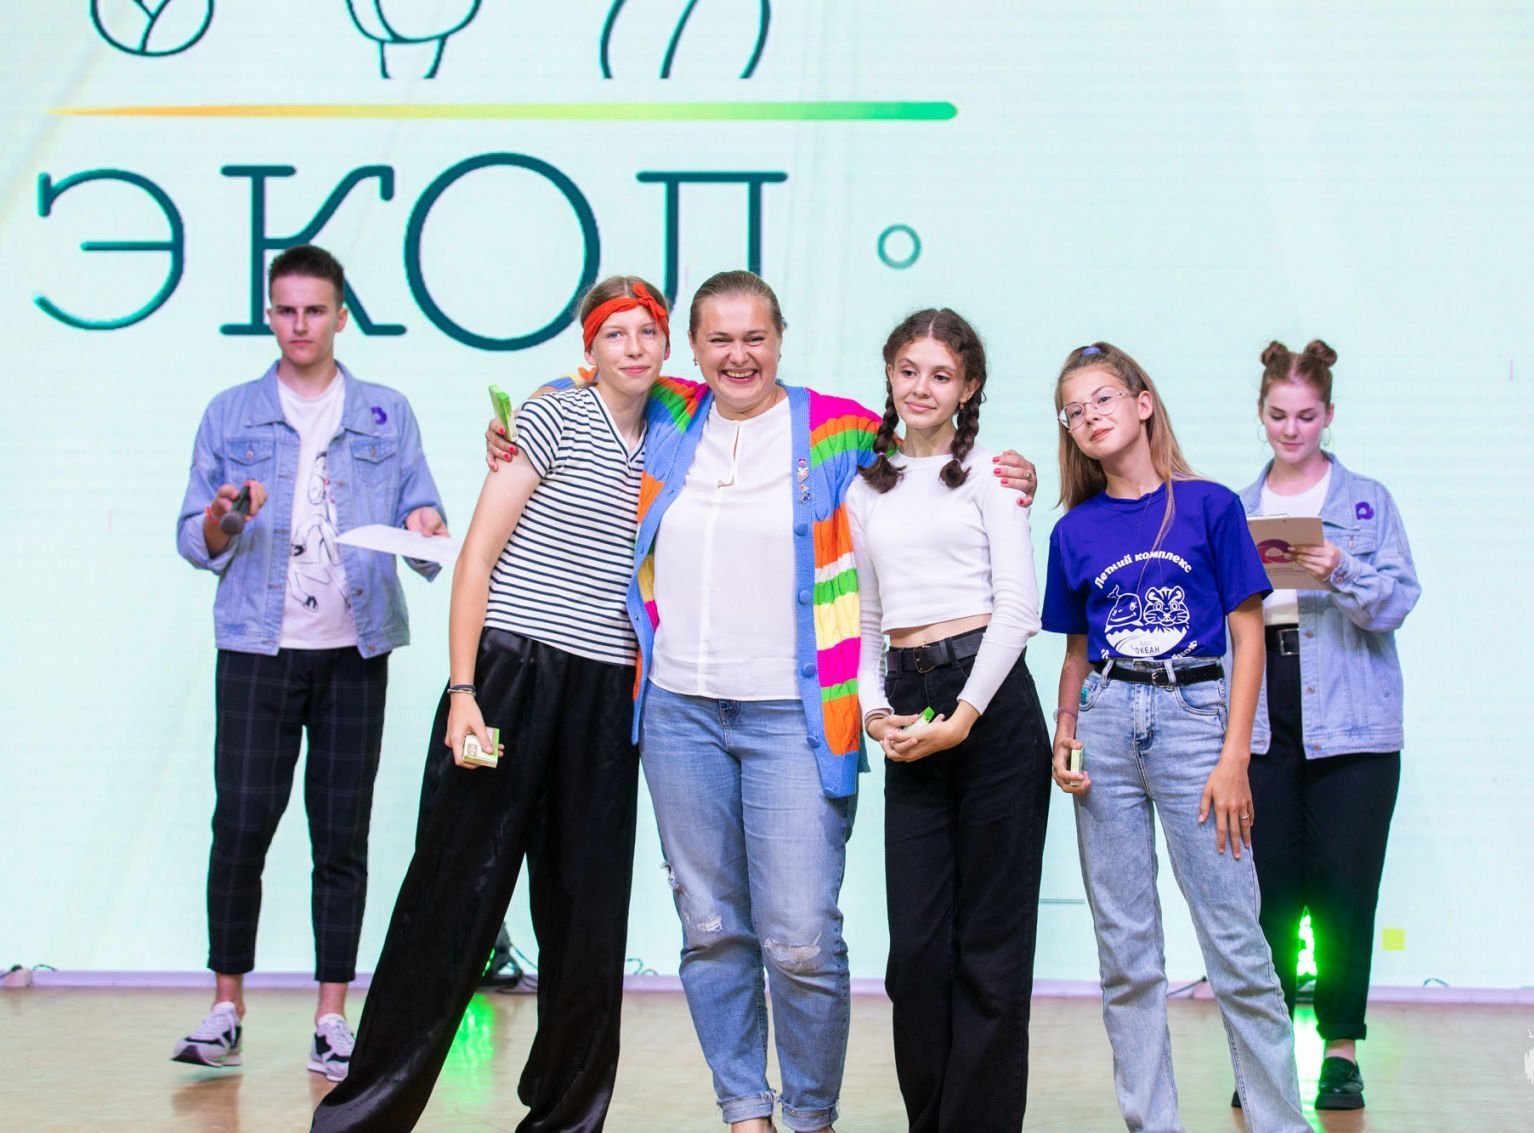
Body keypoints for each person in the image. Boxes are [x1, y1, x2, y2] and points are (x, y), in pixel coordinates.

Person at [616, 271, 1036, 1133]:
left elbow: (926, 459)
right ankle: (746, 1112)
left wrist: (1014, 469)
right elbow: (581, 393)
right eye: (720, 339)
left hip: (791, 716)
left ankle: (811, 1115)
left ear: (782, 339)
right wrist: (515, 430)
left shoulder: (839, 431)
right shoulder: (667, 417)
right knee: (709, 926)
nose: (739, 354)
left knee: (803, 936)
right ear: (693, 348)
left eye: (756, 337)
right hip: (679, 713)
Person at [312, 276, 673, 1131]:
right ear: (589, 348)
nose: (632, 347)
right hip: (512, 671)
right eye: (615, 333)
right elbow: (475, 556)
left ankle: (566, 1118)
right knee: (451, 899)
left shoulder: (675, 432)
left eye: (648, 332)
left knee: (588, 917)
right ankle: (361, 1117)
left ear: (666, 344)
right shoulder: (552, 415)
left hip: (605, 691)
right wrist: (464, 690)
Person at [171, 244, 447, 1078]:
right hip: (257, 648)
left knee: (341, 834)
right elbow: (195, 536)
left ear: (340, 316)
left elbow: (424, 521)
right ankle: (226, 1005)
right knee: (241, 823)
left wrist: (428, 527)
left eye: (315, 310)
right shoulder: (231, 413)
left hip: (353, 651)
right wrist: (225, 516)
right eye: (287, 310)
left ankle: (333, 1014)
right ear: (269, 314)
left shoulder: (386, 413)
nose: (300, 325)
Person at [1042, 343, 1308, 1133]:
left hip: (1195, 719)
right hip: (1104, 722)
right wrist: (1065, 732)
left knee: (1237, 942)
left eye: (1103, 398)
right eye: (1073, 410)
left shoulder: (1211, 506)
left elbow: (1248, 636)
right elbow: (1076, 652)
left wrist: (1235, 757)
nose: (1090, 416)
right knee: (1126, 952)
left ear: (1143, 401)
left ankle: (1279, 1121)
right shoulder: (1074, 529)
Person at [846, 309, 1051, 1132]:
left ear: (968, 387)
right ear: (889, 376)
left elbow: (1018, 609)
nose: (921, 387)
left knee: (991, 950)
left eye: (940, 374)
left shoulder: (995, 476)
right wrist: (874, 713)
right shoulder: (866, 487)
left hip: (990, 707)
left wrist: (965, 715)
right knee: (918, 955)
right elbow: (867, 621)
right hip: (907, 701)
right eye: (908, 370)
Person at [1239, 339, 1420, 1112]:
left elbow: (1397, 602)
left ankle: (1340, 1052)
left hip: (1353, 723)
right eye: (1279, 415)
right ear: (1261, 414)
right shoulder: (1237, 507)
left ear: (1329, 414)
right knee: (1268, 894)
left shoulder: (1367, 501)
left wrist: (1339, 566)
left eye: (1306, 415)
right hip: (1263, 717)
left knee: (1346, 891)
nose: (1292, 429)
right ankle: (1267, 1055)